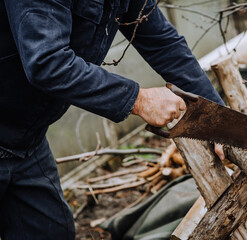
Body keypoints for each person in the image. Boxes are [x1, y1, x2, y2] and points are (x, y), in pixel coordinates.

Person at [0, 0, 224, 239]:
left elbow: (164, 45)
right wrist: (139, 99)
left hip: (25, 140)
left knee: (52, 232)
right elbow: (48, 63)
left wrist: (218, 121)